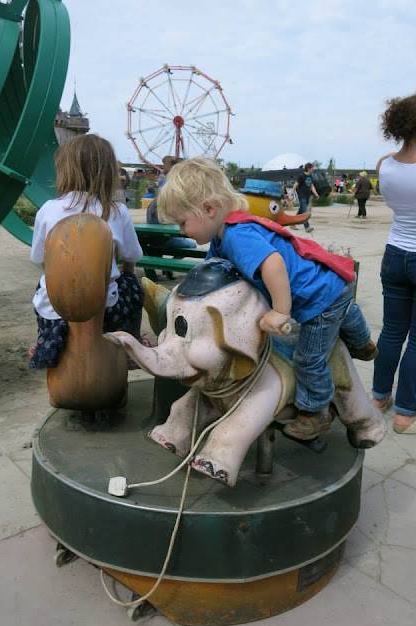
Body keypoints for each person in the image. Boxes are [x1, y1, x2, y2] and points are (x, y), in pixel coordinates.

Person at [158, 157, 377, 439]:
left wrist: (280, 312)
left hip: (317, 299)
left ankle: (316, 411)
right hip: (331, 283)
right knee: (344, 310)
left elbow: (273, 264)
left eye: (183, 223)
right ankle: (362, 340)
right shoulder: (221, 237)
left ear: (208, 209)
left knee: (308, 359)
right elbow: (210, 275)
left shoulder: (238, 236)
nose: (181, 231)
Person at [29, 134, 144, 369]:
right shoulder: (117, 210)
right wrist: (124, 271)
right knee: (132, 285)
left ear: (64, 170)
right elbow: (133, 257)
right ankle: (130, 346)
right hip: (106, 311)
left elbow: (39, 259)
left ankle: (46, 339)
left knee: (43, 286)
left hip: (54, 311)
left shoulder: (47, 210)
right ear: (108, 171)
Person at [372, 92, 416, 434]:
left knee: (392, 330)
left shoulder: (385, 164)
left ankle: (379, 396)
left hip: (394, 254)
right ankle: (407, 415)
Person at [291, 163, 319, 233]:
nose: (313, 169)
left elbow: (312, 186)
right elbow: (295, 185)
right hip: (302, 196)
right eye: (312, 168)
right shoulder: (301, 176)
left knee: (301, 211)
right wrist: (291, 194)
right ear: (309, 168)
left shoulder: (311, 177)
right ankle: (307, 227)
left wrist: (316, 194)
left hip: (307, 196)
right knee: (305, 212)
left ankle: (292, 223)